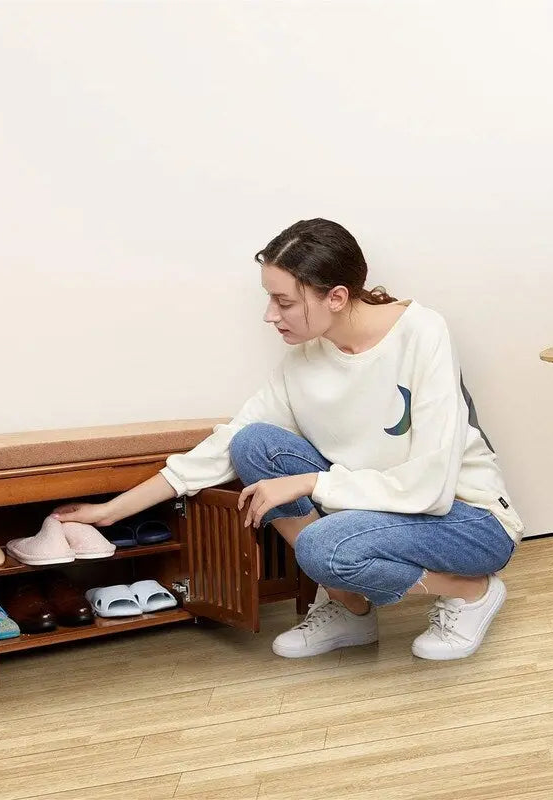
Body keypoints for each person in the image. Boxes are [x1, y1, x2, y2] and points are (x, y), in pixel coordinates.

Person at [52, 218, 525, 662]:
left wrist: (311, 483)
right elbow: (228, 443)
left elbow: (431, 488)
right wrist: (110, 512)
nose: (269, 315)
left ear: (336, 297)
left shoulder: (422, 333)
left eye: (284, 302)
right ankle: (350, 610)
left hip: (468, 521)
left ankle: (471, 592)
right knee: (253, 444)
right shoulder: (305, 361)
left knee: (322, 546)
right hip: (377, 513)